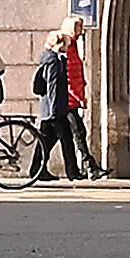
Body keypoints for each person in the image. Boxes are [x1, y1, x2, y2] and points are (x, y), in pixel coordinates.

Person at [34, 23, 88, 181]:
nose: (68, 46)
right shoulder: (53, 61)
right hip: (55, 109)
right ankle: (72, 172)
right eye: (65, 43)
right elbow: (53, 86)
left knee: (47, 140)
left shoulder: (51, 59)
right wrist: (55, 111)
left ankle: (37, 169)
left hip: (51, 108)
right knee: (65, 140)